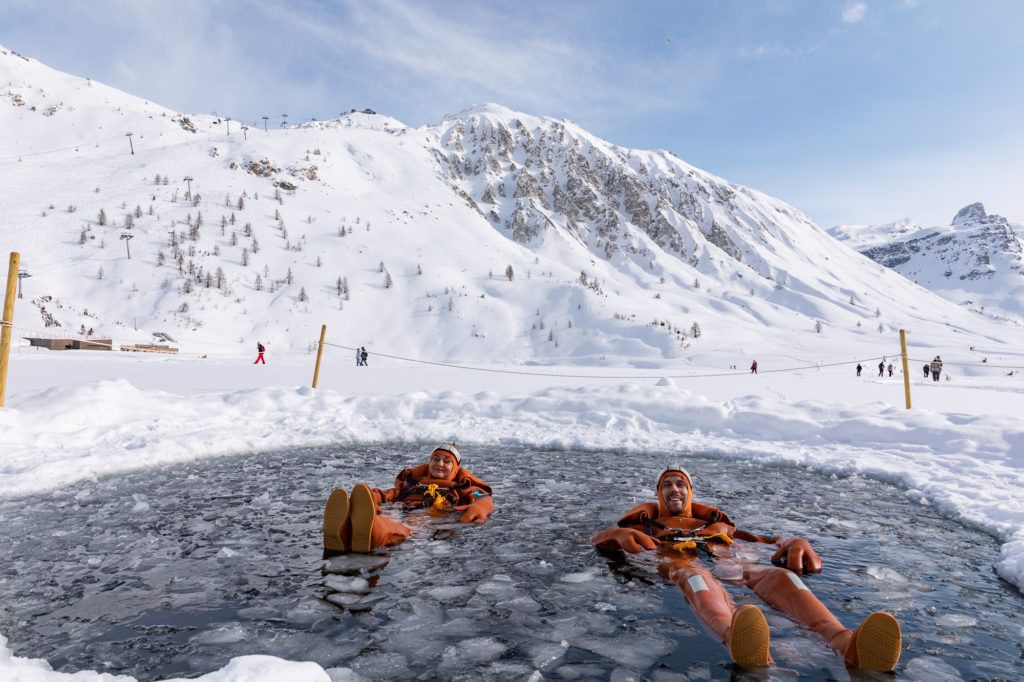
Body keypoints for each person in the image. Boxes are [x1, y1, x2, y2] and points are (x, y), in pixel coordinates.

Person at [591, 465, 901, 670]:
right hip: (682, 564)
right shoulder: (649, 527)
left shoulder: (714, 524)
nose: (674, 490)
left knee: (779, 575)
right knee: (698, 579)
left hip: (730, 563)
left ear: (690, 492)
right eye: (667, 485)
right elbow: (598, 540)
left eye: (680, 484)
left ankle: (845, 643)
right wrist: (613, 534)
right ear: (659, 494)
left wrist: (794, 540)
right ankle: (740, 641)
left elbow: (766, 538)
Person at [322, 442, 493, 553]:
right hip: (402, 509)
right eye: (436, 459)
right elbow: (389, 494)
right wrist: (372, 497)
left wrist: (480, 506)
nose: (439, 464)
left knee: (404, 526)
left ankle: (373, 530)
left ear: (455, 468)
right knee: (390, 514)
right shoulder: (414, 483)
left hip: (431, 518)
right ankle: (345, 534)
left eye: (447, 461)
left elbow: (481, 496)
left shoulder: (459, 487)